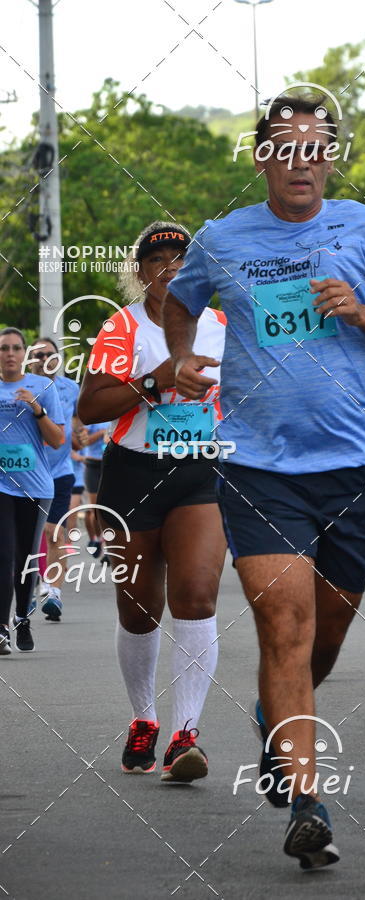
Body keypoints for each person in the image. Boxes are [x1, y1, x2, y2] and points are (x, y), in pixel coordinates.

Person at [163, 94, 365, 867]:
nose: (303, 162)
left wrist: (363, 313)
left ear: (330, 159)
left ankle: (276, 718)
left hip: (349, 466)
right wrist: (181, 357)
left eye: (317, 148)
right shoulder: (222, 238)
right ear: (263, 158)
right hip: (256, 465)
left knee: (326, 638)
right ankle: (307, 804)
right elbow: (180, 302)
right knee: (286, 624)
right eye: (287, 148)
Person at [78, 221, 227, 783]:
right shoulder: (123, 327)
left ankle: (187, 735)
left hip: (198, 473)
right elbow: (91, 408)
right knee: (138, 609)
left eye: (180, 258)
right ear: (139, 272)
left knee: (195, 592)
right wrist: (156, 378)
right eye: (156, 258)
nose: (169, 266)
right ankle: (144, 718)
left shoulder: (221, 326)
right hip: (131, 473)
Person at [0, 327, 64, 653]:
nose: (9, 353)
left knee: (25, 557)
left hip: (34, 486)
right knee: (4, 555)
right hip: (1, 487)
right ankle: (1, 629)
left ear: (23, 354)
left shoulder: (42, 387)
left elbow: (57, 439)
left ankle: (22, 618)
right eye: (3, 348)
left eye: (15, 348)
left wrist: (37, 410)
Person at [30, 337, 85, 620]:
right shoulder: (21, 388)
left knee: (55, 534)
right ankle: (26, 589)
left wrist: (79, 439)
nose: (44, 360)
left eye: (49, 354)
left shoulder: (70, 388)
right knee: (23, 538)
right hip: (26, 474)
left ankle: (54, 593)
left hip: (60, 473)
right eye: (38, 355)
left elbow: (75, 428)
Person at [82, 421, 109, 558]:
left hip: (111, 464)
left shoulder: (117, 411)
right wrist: (101, 433)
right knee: (96, 510)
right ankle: (99, 539)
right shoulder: (95, 415)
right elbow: (84, 442)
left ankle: (108, 546)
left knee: (112, 509)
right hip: (92, 465)